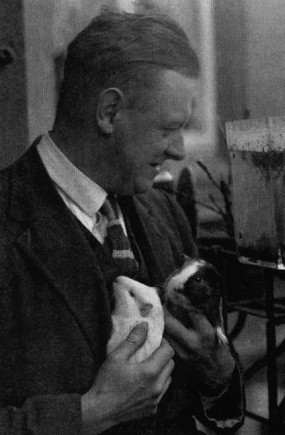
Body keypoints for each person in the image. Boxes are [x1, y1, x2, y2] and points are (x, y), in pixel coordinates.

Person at [0, 11, 244, 434]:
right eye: (169, 128)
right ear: (109, 111)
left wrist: (218, 373)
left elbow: (203, 395)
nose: (179, 149)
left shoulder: (165, 214)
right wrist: (86, 415)